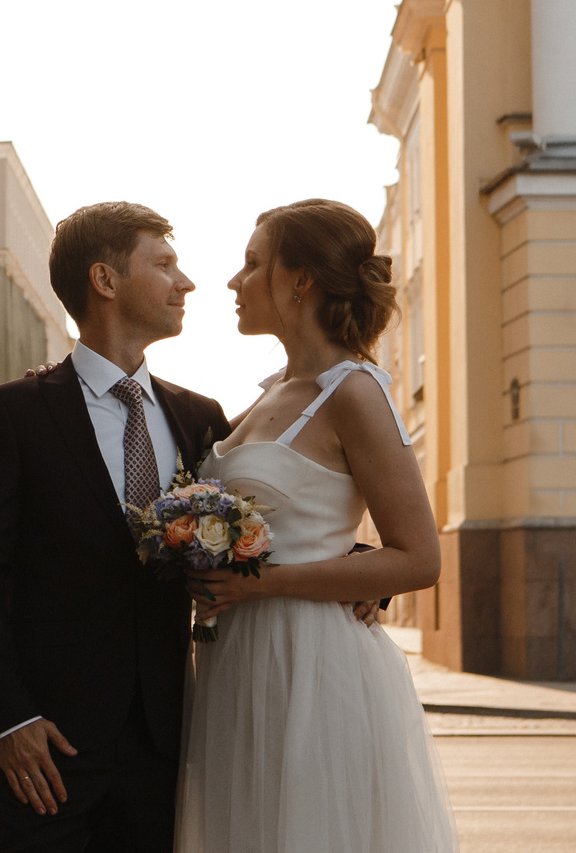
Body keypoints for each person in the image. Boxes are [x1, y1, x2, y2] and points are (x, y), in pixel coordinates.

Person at [0, 202, 228, 850]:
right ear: (105, 279)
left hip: (165, 743)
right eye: (164, 264)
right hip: (45, 746)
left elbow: (262, 525)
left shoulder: (200, 416)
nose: (184, 283)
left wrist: (359, 573)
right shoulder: (13, 413)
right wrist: (9, 716)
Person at [176, 199, 456, 853]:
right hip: (236, 653)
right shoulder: (271, 391)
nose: (233, 281)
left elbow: (419, 557)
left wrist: (263, 585)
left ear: (300, 280)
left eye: (252, 264)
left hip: (308, 657)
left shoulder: (354, 391)